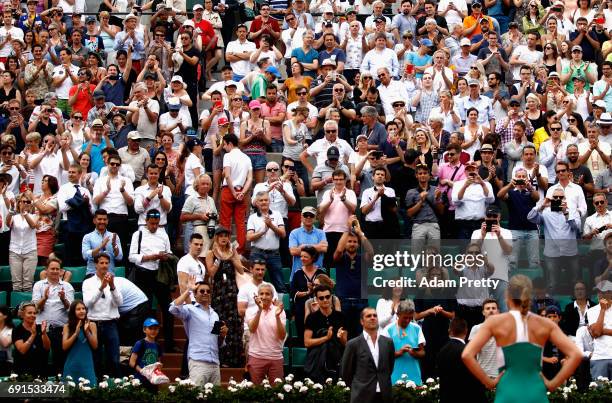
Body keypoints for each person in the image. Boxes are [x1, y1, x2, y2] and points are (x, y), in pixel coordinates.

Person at [462, 275, 582, 402]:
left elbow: (467, 355)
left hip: (507, 392)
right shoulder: (545, 324)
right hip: (536, 393)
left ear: (507, 295)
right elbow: (576, 354)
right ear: (529, 295)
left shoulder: (495, 322)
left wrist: (489, 383)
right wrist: (552, 384)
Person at [169, 276, 228, 386]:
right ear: (195, 295)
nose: (205, 293)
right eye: (202, 291)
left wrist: (223, 336)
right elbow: (173, 309)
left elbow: (218, 342)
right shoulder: (190, 309)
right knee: (197, 396)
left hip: (215, 362)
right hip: (198, 361)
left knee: (215, 397)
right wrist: (189, 290)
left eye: (208, 291)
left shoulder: (215, 314)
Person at [205, 226, 245, 368]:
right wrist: (219, 260)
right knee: (219, 323)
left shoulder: (232, 251)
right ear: (216, 237)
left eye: (226, 235)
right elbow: (210, 273)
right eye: (221, 235)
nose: (223, 238)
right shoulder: (211, 253)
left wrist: (233, 257)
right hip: (218, 293)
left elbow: (240, 270)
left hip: (232, 291)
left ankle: (233, 359)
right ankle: (218, 358)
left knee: (233, 324)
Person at [340, 307, 395, 403]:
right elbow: (346, 373)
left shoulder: (388, 342)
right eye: (368, 316)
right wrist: (359, 387)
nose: (372, 318)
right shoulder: (353, 344)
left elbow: (389, 367)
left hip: (384, 395)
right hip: (361, 396)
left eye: (375, 315)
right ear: (362, 321)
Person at [82, 253, 123, 378]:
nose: (104, 265)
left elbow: (119, 303)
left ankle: (115, 387)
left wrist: (112, 286)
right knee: (96, 358)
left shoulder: (115, 281)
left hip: (111, 323)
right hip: (94, 324)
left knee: (114, 358)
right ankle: (97, 388)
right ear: (95, 265)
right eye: (101, 263)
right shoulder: (88, 282)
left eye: (106, 263)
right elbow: (87, 303)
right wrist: (101, 288)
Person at [32, 257, 74, 375]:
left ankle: (59, 388)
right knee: (41, 361)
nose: (55, 271)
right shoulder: (38, 285)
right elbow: (35, 308)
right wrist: (44, 298)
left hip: (60, 330)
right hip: (42, 328)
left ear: (61, 271)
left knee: (60, 362)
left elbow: (71, 309)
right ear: (46, 270)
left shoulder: (67, 286)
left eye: (58, 269)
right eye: (52, 269)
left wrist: (63, 299)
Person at [437, 318, 487, 403]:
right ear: (466, 331)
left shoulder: (442, 351)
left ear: (449, 331)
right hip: (465, 397)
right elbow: (474, 380)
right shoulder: (467, 352)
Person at [245, 282, 286, 384]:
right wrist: (259, 310)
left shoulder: (279, 311)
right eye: (261, 294)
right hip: (256, 357)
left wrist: (277, 317)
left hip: (275, 357)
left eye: (267, 294)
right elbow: (252, 329)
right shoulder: (250, 311)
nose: (264, 296)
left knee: (277, 393)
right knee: (256, 393)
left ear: (272, 296)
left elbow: (282, 336)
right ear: (257, 296)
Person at [247, 191, 287, 294]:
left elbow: (283, 234)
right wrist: (263, 231)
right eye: (261, 200)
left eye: (266, 200)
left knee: (280, 284)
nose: (264, 202)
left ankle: (281, 309)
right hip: (257, 253)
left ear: (269, 201)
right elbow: (249, 237)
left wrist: (271, 226)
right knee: (256, 284)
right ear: (257, 203)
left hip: (274, 254)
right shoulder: (252, 217)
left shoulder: (277, 214)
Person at [219, 133, 252, 255]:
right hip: (241, 191)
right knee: (240, 222)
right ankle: (240, 250)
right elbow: (249, 179)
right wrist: (242, 193)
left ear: (229, 144)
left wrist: (233, 192)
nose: (223, 147)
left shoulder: (228, 156)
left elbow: (227, 175)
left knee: (225, 222)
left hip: (229, 190)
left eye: (224, 144)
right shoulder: (246, 158)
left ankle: (224, 249)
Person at [384, 300, 425, 385]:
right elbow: (383, 355)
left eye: (410, 318)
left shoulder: (417, 328)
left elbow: (422, 352)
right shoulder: (388, 330)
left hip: (414, 376)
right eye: (405, 317)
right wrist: (399, 352)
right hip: (393, 376)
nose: (408, 320)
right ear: (398, 314)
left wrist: (414, 353)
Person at [62, 300, 98, 386]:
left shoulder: (92, 325)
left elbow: (95, 346)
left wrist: (87, 332)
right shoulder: (67, 326)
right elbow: (64, 346)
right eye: (78, 309)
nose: (82, 311)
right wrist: (76, 333)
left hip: (87, 365)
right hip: (72, 365)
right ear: (73, 312)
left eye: (83, 308)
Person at [11, 302, 50, 377]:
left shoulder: (40, 328)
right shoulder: (17, 330)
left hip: (40, 370)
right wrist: (33, 335)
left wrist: (44, 333)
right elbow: (22, 350)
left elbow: (47, 347)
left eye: (34, 313)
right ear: (22, 314)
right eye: (29, 313)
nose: (33, 315)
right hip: (23, 372)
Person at [82, 209, 122, 277]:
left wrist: (115, 247)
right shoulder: (87, 237)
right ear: (94, 221)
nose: (102, 221)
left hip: (109, 275)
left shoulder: (114, 236)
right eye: (99, 219)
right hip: (92, 274)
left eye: (104, 219)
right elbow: (85, 256)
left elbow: (119, 257)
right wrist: (101, 246)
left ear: (107, 221)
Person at [468, 299, 500, 379]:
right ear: (483, 312)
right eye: (488, 308)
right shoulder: (476, 328)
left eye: (493, 308)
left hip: (501, 375)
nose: (491, 310)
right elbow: (471, 354)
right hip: (483, 375)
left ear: (498, 311)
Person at [586, 280, 612, 380]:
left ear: (610, 292)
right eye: (599, 292)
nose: (601, 294)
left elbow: (597, 331)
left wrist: (602, 330)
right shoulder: (591, 311)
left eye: (604, 291)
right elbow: (596, 333)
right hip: (599, 357)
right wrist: (602, 310)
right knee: (599, 394)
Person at [129, 318, 163, 387]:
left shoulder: (158, 346)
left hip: (152, 380)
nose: (153, 331)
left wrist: (159, 367)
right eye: (150, 328)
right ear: (144, 330)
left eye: (156, 329)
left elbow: (158, 361)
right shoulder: (140, 343)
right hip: (139, 379)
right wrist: (142, 371)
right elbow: (131, 362)